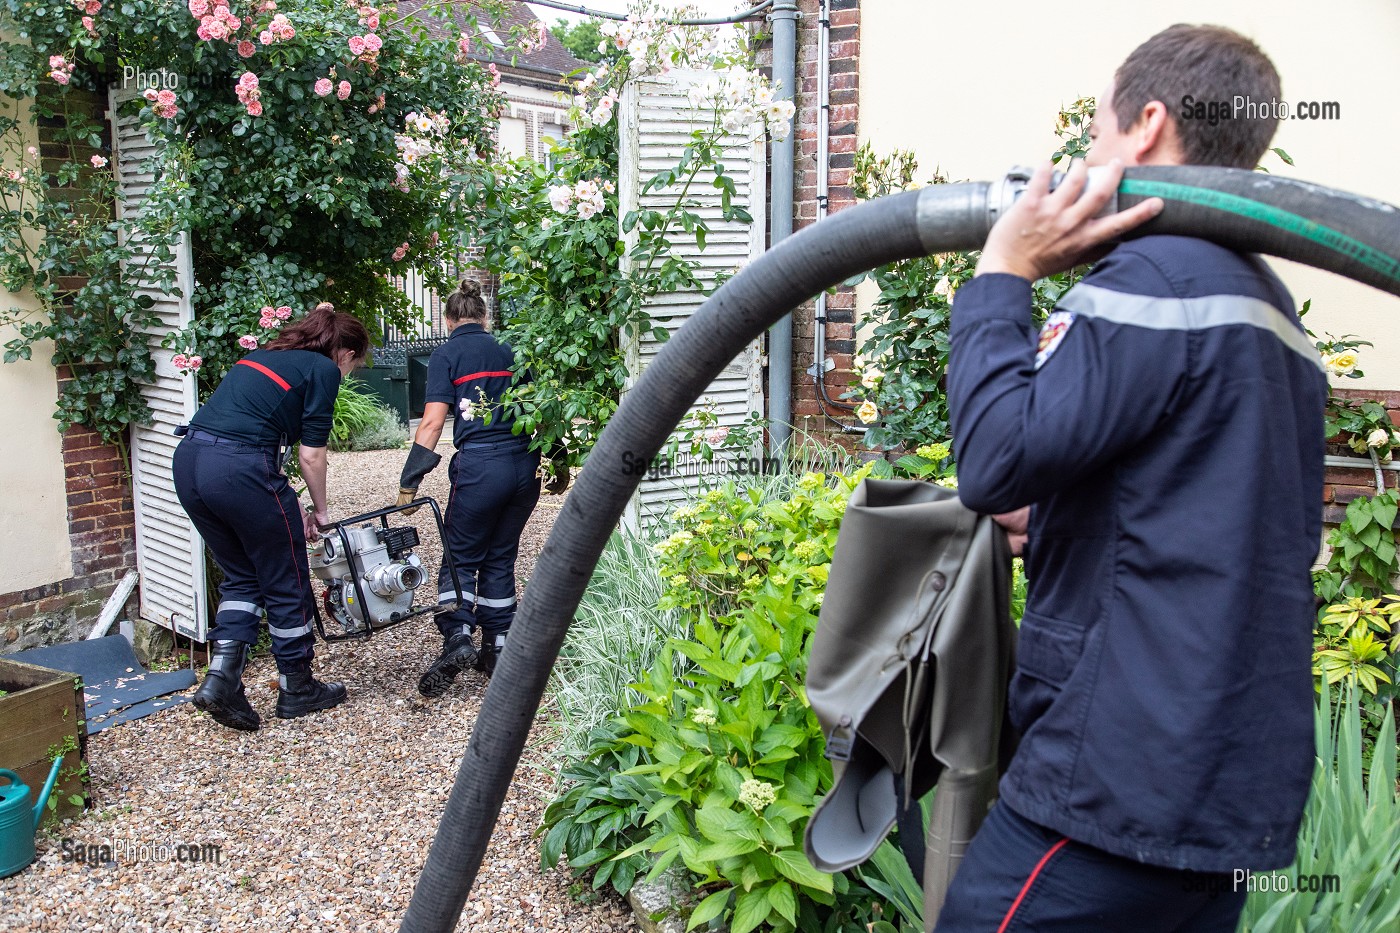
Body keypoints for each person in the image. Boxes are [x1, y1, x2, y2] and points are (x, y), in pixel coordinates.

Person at [937, 25, 1327, 931]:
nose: (1089, 158)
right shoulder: (1274, 313)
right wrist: (1069, 517)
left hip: (1115, 784)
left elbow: (993, 459)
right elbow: (1200, 510)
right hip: (1225, 801)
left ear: (1147, 125)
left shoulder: (1153, 276)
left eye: (1100, 134)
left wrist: (1004, 268)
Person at [174, 302, 370, 731]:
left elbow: (249, 437)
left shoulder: (260, 357)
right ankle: (296, 686)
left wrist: (287, 502)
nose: (349, 373)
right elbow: (311, 455)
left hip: (190, 462)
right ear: (345, 354)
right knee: (288, 576)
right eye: (354, 364)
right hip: (242, 469)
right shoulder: (322, 372)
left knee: (243, 576)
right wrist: (320, 510)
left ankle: (223, 677)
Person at [397, 280, 565, 697]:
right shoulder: (511, 350)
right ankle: (498, 648)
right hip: (524, 466)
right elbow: (541, 407)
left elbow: (434, 422)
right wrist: (558, 459)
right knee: (500, 554)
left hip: (480, 467)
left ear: (451, 320)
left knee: (460, 555)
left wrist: (410, 481)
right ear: (485, 317)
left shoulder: (446, 354)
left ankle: (457, 637)